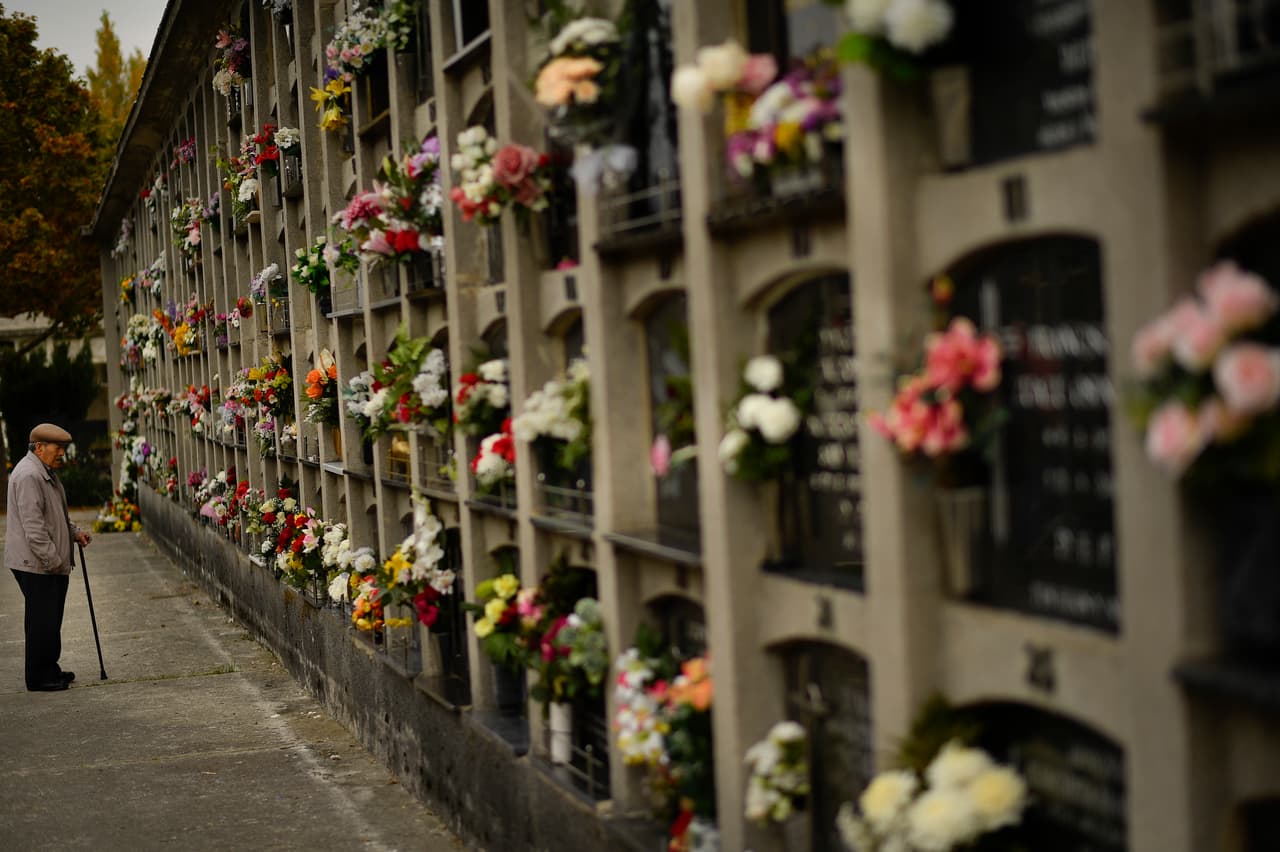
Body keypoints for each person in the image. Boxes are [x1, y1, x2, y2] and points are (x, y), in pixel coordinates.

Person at [5, 423, 92, 691]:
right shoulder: (29, 475)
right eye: (58, 448)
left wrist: (74, 533)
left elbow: (55, 515)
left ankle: (49, 669)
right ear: (39, 447)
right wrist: (53, 561)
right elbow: (34, 528)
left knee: (49, 619)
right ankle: (39, 677)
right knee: (42, 621)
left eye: (64, 448)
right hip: (36, 563)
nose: (62, 453)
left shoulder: (45, 473)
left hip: (45, 562)